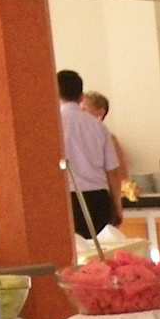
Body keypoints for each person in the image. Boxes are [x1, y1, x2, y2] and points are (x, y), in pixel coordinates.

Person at [57, 69, 122, 238]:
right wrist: (117, 206)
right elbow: (113, 171)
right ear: (81, 96)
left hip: (66, 199)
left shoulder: (51, 124)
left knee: (73, 251)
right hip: (98, 199)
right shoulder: (98, 126)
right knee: (100, 250)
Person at [81, 90, 130, 186]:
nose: (79, 114)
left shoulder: (108, 138)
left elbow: (120, 173)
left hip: (101, 188)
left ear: (100, 113)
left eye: (84, 109)